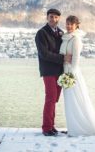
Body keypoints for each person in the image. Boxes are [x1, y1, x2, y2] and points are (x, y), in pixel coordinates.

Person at [59, 15, 95, 137]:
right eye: (67, 23)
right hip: (65, 72)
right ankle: (72, 128)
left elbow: (76, 60)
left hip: (71, 74)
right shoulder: (65, 38)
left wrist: (70, 76)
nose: (68, 26)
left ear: (76, 26)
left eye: (71, 24)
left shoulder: (76, 39)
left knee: (77, 101)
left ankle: (81, 128)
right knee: (69, 102)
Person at [35, 8, 72, 136]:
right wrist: (63, 58)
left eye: (56, 17)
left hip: (60, 71)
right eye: (51, 17)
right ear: (47, 18)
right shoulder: (41, 33)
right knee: (50, 98)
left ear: (58, 19)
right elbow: (44, 54)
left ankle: (52, 126)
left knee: (54, 99)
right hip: (48, 71)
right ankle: (46, 128)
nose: (53, 19)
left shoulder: (61, 33)